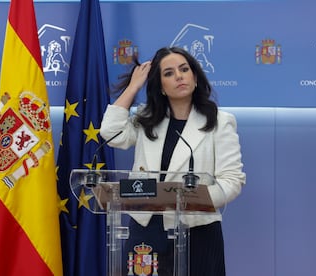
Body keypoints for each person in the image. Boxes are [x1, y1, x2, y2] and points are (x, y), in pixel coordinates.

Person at [100, 46, 246, 276]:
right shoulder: (146, 118)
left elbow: (232, 181)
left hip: (196, 229)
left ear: (195, 78)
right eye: (168, 73)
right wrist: (133, 86)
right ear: (161, 87)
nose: (178, 76)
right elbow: (111, 133)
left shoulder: (220, 122)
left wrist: (194, 199)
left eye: (184, 69)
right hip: (146, 228)